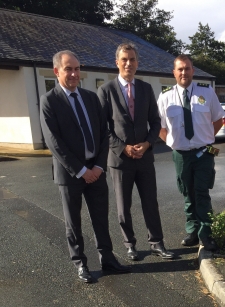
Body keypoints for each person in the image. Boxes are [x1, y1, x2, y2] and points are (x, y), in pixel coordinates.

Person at [40, 50, 130, 283]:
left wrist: (99, 167)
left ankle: (107, 259)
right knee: (74, 222)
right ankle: (80, 263)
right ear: (57, 71)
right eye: (68, 69)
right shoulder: (49, 101)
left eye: (77, 69)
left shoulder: (91, 98)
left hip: (97, 170)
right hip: (70, 174)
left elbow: (104, 135)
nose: (73, 73)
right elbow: (54, 142)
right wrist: (81, 171)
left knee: (101, 217)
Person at [97, 43, 174, 260]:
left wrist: (148, 144)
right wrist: (123, 148)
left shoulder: (146, 88)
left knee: (151, 202)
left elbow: (155, 121)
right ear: (117, 63)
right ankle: (130, 244)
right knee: (124, 206)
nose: (128, 63)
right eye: (124, 59)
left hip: (144, 157)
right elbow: (103, 128)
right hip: (120, 160)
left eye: (132, 59)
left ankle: (157, 242)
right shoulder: (106, 91)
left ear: (137, 63)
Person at [157, 55, 225, 251]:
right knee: (187, 193)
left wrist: (206, 139)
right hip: (180, 154)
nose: (184, 72)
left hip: (204, 153)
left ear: (193, 71)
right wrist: (171, 142)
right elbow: (159, 126)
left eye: (187, 68)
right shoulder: (165, 96)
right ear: (174, 72)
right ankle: (192, 231)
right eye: (180, 69)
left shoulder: (207, 92)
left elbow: (219, 119)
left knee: (202, 193)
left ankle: (207, 233)